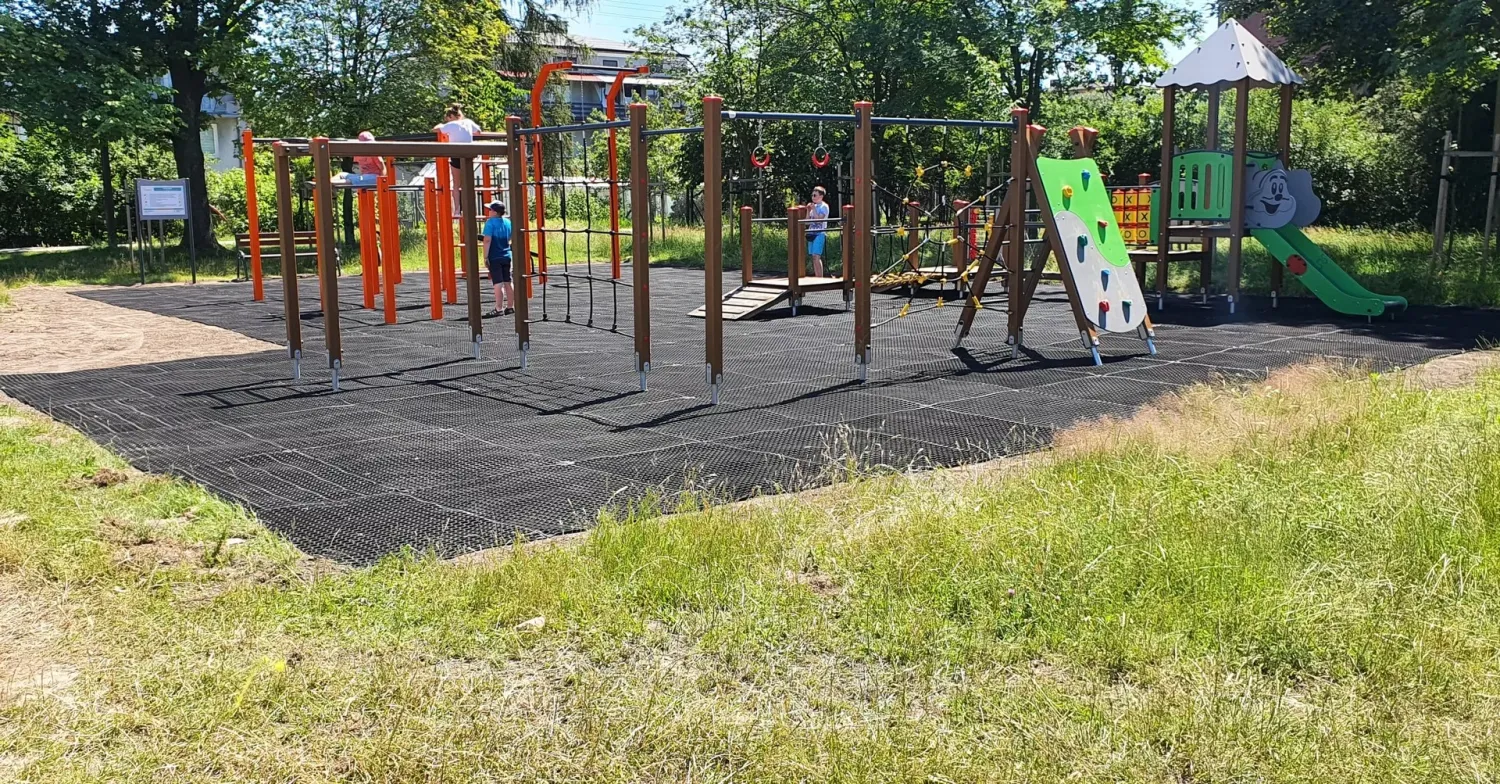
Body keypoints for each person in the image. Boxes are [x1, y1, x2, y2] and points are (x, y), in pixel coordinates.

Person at [433, 103, 481, 216]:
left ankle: (457, 210)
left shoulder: (450, 125)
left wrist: (441, 125)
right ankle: (470, 209)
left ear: (450, 116)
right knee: (467, 183)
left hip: (456, 154)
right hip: (468, 154)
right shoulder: (468, 122)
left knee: (456, 184)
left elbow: (436, 129)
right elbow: (478, 131)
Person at [482, 201, 514, 317]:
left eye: (490, 210)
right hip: (506, 255)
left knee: (498, 283)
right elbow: (510, 237)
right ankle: (510, 307)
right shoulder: (508, 222)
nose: (488, 211)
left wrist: (485, 256)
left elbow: (487, 240)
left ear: (495, 212)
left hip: (495, 256)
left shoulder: (490, 223)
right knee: (508, 281)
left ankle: (498, 308)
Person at [805, 185, 830, 277]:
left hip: (819, 233)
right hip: (811, 233)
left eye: (815, 195)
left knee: (816, 256)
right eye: (812, 195)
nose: (813, 197)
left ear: (821, 196)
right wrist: (808, 211)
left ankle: (820, 278)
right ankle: (817, 277)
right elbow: (807, 222)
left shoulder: (824, 206)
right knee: (813, 257)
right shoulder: (813, 207)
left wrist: (814, 209)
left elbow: (819, 220)